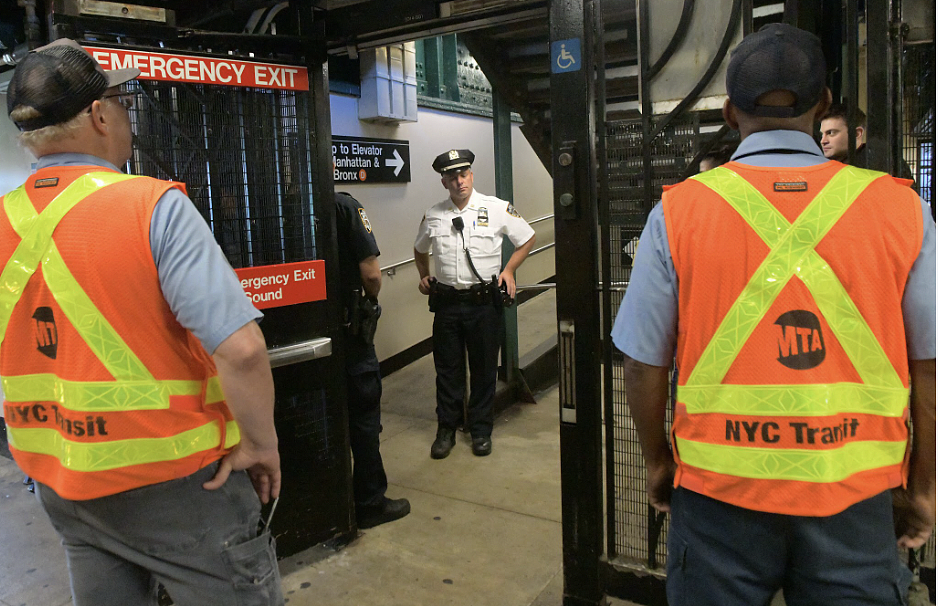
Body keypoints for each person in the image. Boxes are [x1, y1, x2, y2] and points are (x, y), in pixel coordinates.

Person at [612, 24, 935, 605]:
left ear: (731, 112)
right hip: (856, 501)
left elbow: (642, 364)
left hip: (716, 502)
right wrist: (925, 488)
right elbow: (931, 366)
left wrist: (659, 464)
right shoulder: (900, 210)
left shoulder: (679, 213)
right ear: (825, 105)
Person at [2, 39, 283, 605]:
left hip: (60, 480)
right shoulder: (152, 206)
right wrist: (260, 442)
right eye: (122, 99)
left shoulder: (4, 220)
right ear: (100, 116)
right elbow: (243, 350)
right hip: (178, 484)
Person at [414, 150, 535, 458]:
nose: (459, 181)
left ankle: (481, 430)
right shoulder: (434, 215)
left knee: (483, 371)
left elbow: (527, 238)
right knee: (448, 370)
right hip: (447, 304)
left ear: (471, 175)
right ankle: (446, 429)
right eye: (452, 176)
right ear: (444, 181)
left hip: (484, 305)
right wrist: (424, 276)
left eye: (464, 174)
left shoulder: (495, 208)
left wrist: (508, 270)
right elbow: (419, 249)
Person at [334, 190, 410, 528]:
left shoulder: (291, 203)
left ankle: (332, 502)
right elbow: (372, 274)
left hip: (316, 334)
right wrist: (371, 300)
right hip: (350, 336)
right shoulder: (345, 205)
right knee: (364, 417)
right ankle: (369, 502)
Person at [820, 103, 917, 186]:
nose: (823, 141)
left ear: (857, 133)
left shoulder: (880, 163)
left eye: (831, 133)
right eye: (822, 134)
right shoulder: (827, 166)